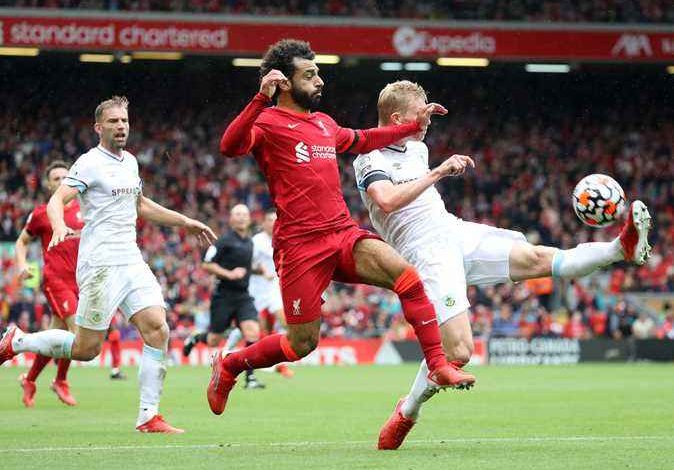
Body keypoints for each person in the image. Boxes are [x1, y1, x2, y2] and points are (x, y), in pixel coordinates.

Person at [352, 80, 653, 449]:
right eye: (420, 113)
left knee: (537, 257)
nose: (426, 121)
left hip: (454, 232)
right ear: (397, 118)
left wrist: (423, 113)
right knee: (459, 352)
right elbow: (385, 201)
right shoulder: (369, 159)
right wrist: (438, 173)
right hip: (425, 254)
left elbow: (407, 132)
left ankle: (620, 248)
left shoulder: (417, 145)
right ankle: (407, 410)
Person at [207, 38, 475, 418]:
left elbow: (365, 139)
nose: (320, 81)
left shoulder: (324, 124)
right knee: (302, 344)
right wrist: (258, 99)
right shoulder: (266, 122)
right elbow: (230, 146)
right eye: (311, 74)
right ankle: (231, 366)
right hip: (300, 247)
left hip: (341, 233)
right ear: (284, 82)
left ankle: (438, 364)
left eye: (319, 73)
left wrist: (414, 126)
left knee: (407, 276)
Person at [0, 96, 216, 433]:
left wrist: (184, 221)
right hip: (100, 264)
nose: (121, 127)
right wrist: (58, 225)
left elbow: (140, 204)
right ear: (98, 127)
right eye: (114, 122)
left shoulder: (130, 161)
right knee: (86, 349)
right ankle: (18, 341)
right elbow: (58, 200)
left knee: (158, 327)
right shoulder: (89, 163)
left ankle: (148, 415)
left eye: (125, 121)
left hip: (130, 258)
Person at [14, 160, 82, 407]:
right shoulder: (42, 214)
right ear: (48, 184)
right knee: (78, 334)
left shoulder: (85, 209)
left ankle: (30, 379)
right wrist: (22, 265)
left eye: (66, 177)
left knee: (56, 336)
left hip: (82, 282)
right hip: (57, 281)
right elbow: (22, 241)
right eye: (56, 179)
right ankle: (61, 380)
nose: (62, 181)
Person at [183, 203, 266, 389]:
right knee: (214, 339)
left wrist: (258, 271)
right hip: (224, 296)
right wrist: (229, 274)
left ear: (250, 218)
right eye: (237, 214)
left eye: (244, 214)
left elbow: (244, 268)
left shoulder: (250, 242)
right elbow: (207, 264)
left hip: (243, 296)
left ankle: (250, 379)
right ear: (231, 219)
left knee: (253, 331)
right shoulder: (223, 241)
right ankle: (195, 338)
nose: (241, 217)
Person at [249, 209, 293, 378]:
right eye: (269, 220)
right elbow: (245, 266)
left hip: (274, 289)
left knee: (285, 323)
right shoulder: (256, 241)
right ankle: (265, 363)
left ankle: (281, 364)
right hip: (256, 291)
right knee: (260, 330)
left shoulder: (282, 239)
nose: (273, 223)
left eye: (276, 220)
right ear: (264, 223)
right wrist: (260, 272)